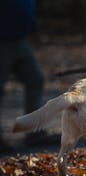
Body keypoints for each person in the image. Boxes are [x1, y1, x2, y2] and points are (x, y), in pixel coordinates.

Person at [0, 0, 45, 153]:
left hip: (20, 41)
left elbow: (28, 10)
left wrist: (34, 31)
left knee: (35, 79)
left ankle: (33, 133)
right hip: (2, 41)